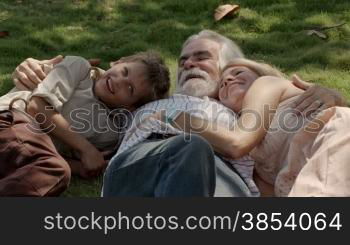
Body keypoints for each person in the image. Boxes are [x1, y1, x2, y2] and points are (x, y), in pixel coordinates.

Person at [11, 30, 346, 197]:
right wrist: (35, 70)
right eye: (183, 59)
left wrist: (333, 96)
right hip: (147, 164)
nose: (188, 64)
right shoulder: (141, 104)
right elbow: (98, 86)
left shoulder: (244, 110)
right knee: (190, 148)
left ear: (228, 69)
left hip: (222, 181)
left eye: (201, 57)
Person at [159, 58, 349, 196]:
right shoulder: (253, 156)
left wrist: (171, 116)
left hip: (333, 140)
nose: (228, 79)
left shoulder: (265, 84)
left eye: (238, 73)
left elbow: (236, 143)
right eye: (222, 84)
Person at [0, 51, 170, 196]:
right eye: (124, 71)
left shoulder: (111, 132)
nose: (119, 81)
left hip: (26, 152)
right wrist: (87, 149)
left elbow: (61, 156)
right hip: (10, 120)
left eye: (130, 89)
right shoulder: (80, 69)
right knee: (56, 168)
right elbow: (37, 108)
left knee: (55, 172)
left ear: (131, 108)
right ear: (118, 62)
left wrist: (80, 167)